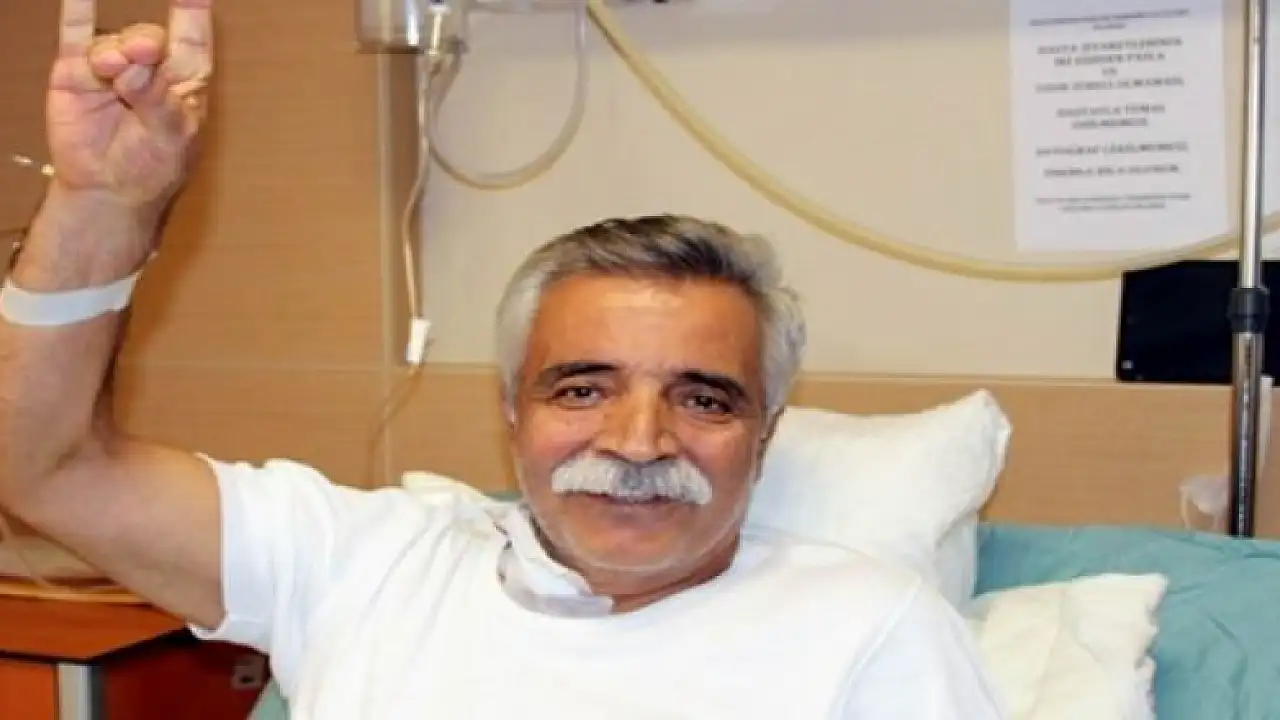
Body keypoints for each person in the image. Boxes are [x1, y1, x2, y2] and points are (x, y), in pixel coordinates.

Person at [0, 1, 1006, 717]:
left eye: (703, 399)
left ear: (764, 434)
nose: (638, 440)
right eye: (583, 387)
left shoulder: (867, 629)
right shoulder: (366, 563)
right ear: (512, 410)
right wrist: (102, 210)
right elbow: (41, 465)